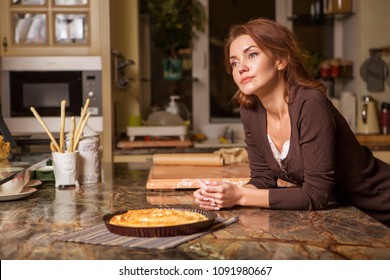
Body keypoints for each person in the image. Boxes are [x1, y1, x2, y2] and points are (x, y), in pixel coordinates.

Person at [193, 18, 390, 227]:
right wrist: (225, 194)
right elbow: (262, 178)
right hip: (354, 216)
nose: (241, 67)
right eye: (234, 62)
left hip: (382, 204)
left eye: (252, 54)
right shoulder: (250, 110)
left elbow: (315, 194)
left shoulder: (310, 104)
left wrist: (240, 196)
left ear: (281, 60)